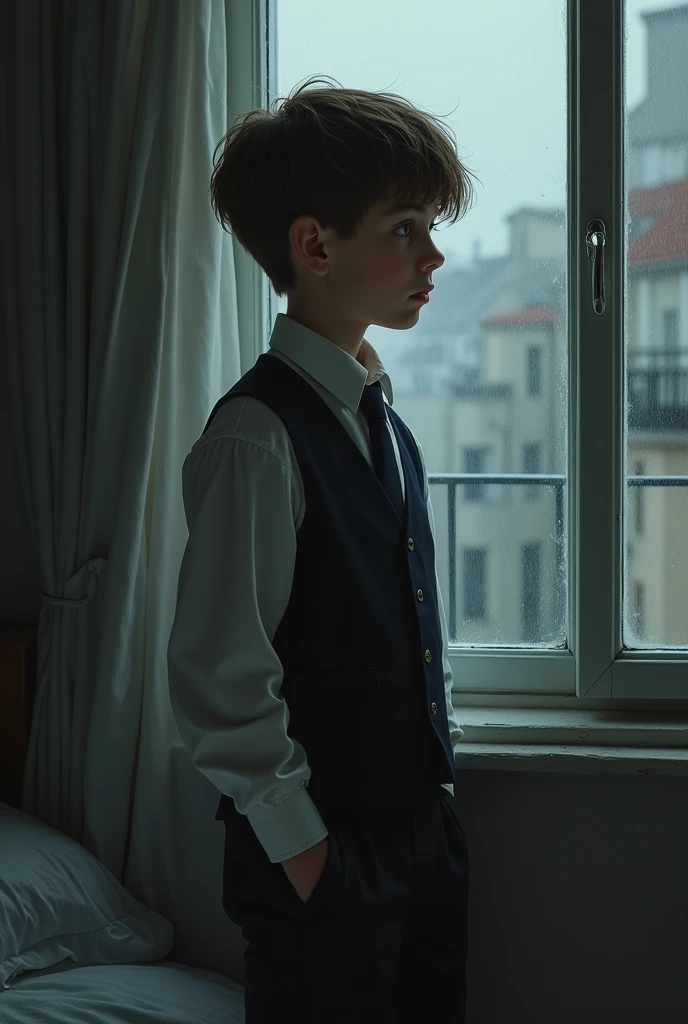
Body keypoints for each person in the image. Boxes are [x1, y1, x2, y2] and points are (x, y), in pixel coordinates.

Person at [167, 74, 480, 1024]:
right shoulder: (256, 436)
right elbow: (221, 676)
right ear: (314, 246)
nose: (434, 256)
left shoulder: (381, 418)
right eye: (405, 229)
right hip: (325, 858)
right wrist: (308, 856)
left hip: (420, 840)